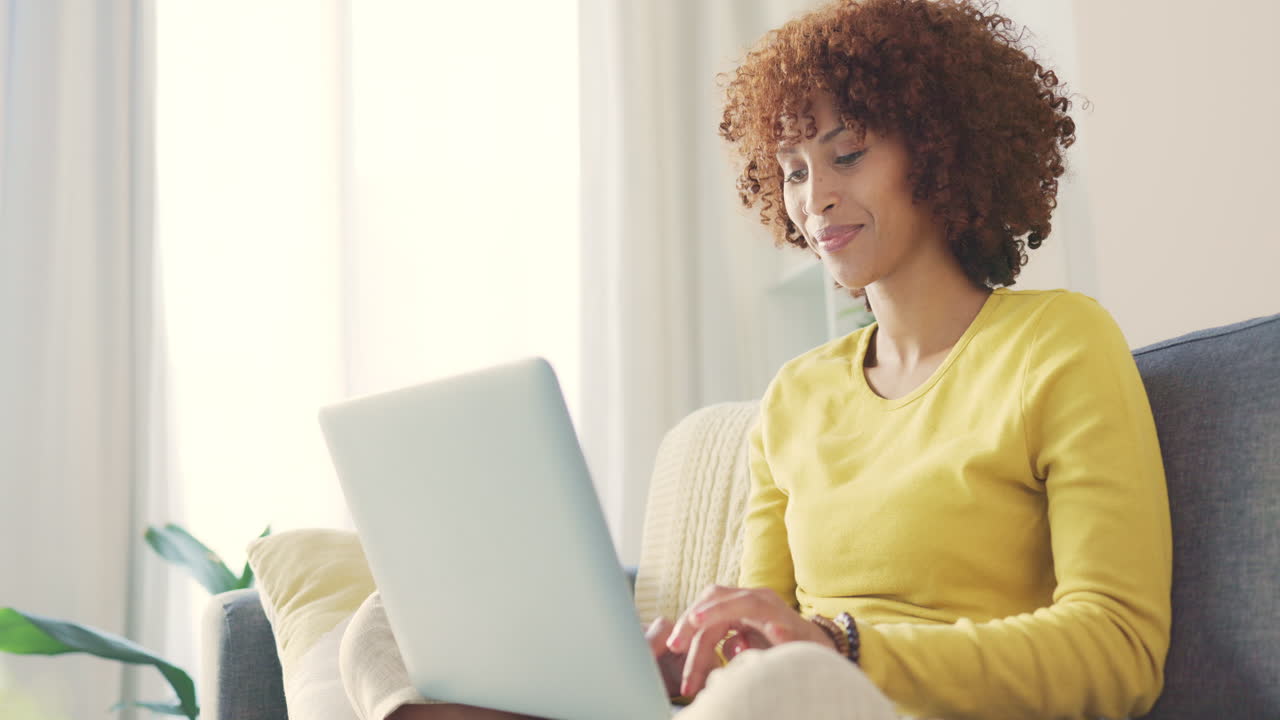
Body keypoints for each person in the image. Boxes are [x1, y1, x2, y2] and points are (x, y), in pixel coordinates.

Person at [344, 0, 1172, 718]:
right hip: (778, 701)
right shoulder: (797, 397)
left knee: (785, 690)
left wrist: (841, 648)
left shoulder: (1058, 343)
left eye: (848, 156)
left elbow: (1120, 649)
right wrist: (688, 659)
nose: (815, 199)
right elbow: (759, 632)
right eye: (792, 171)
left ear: (941, 149)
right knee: (375, 628)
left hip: (875, 700)